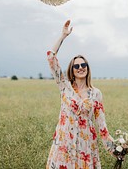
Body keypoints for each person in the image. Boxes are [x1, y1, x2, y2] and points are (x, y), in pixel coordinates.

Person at [46, 20, 117, 169]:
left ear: (88, 68)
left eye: (83, 65)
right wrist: (62, 36)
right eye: (76, 66)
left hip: (86, 146)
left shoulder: (96, 94)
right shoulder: (64, 87)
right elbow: (51, 57)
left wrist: (118, 148)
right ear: (71, 70)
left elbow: (102, 126)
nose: (80, 68)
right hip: (64, 143)